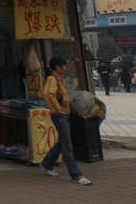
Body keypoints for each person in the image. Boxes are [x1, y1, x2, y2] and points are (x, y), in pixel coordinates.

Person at [41, 56, 92, 185]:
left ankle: (48, 163)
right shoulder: (52, 79)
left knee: (63, 141)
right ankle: (76, 175)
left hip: (64, 113)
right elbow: (48, 94)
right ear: (57, 67)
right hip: (60, 115)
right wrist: (58, 109)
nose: (65, 68)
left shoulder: (59, 79)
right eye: (63, 66)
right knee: (67, 145)